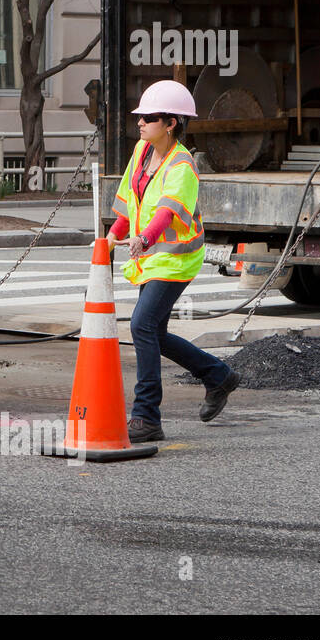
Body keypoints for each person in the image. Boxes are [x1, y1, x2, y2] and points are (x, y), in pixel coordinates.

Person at [106, 79, 241, 442]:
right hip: (151, 258)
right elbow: (130, 202)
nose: (140, 122)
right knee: (154, 332)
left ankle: (147, 417)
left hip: (176, 260)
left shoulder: (182, 166)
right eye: (140, 116)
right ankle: (218, 376)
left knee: (140, 326)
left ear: (171, 123)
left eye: (149, 117)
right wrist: (114, 235)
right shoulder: (141, 151)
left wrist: (144, 238)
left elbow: (164, 214)